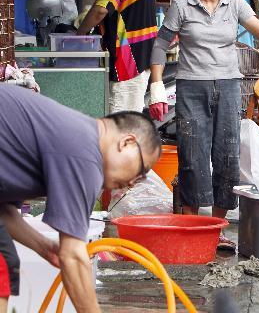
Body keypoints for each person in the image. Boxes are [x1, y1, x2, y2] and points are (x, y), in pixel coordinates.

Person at [149, 0, 259, 250]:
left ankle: (216, 227)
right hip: (191, 88)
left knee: (227, 155)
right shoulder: (182, 6)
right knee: (192, 155)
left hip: (227, 87)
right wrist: (156, 87)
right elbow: (160, 45)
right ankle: (191, 226)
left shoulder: (236, 4)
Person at [0, 84, 161, 313]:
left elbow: (3, 210)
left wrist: (43, 247)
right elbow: (73, 257)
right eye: (142, 170)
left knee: (5, 261)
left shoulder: (78, 139)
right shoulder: (86, 154)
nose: (134, 182)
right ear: (127, 143)